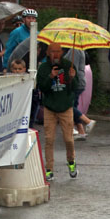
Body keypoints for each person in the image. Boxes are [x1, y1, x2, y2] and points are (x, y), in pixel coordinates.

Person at [36, 42, 78, 181]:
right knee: (49, 139)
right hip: (50, 107)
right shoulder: (43, 68)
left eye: (58, 51)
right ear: (48, 53)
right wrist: (50, 77)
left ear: (62, 52)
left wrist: (72, 78)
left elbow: (75, 88)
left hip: (65, 106)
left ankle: (71, 161)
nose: (55, 54)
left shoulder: (68, 65)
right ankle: (49, 169)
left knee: (68, 139)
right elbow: (42, 87)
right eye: (52, 51)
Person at [64, 48, 96, 139]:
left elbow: (73, 68)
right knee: (73, 105)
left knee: (68, 105)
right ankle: (81, 131)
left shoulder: (75, 50)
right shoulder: (77, 50)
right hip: (79, 81)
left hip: (75, 82)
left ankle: (87, 121)